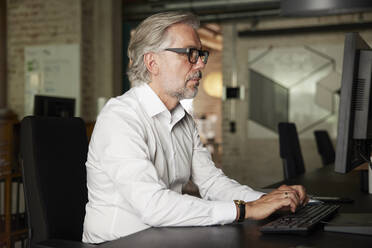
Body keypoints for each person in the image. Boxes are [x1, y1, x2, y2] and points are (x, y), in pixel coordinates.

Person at [82, 11, 308, 244]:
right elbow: (152, 206)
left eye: (201, 54)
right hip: (117, 243)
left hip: (163, 238)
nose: (200, 63)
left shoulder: (183, 118)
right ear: (152, 62)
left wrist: (271, 201)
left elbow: (211, 183)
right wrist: (245, 209)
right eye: (190, 54)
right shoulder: (120, 117)